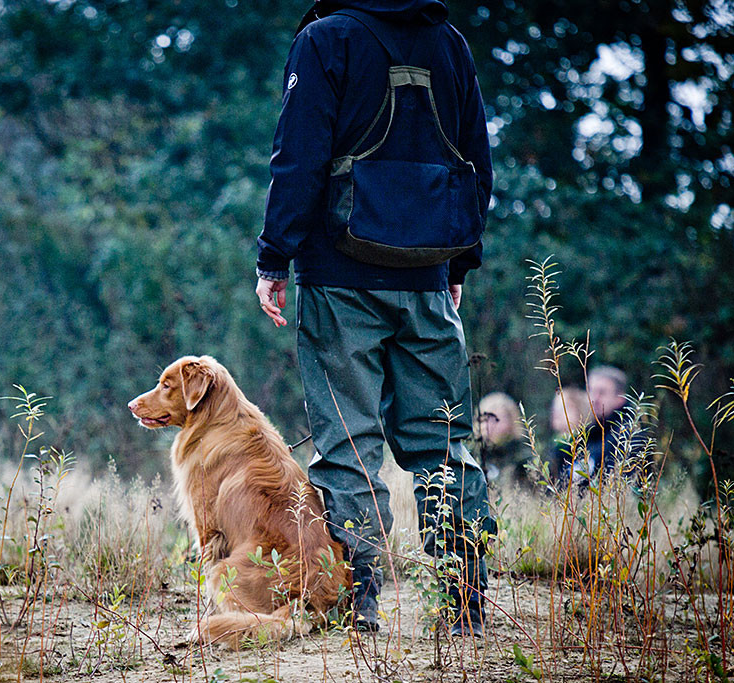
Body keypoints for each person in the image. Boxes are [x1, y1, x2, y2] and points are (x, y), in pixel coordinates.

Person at [253, 0, 495, 637]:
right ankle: (465, 606)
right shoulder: (450, 44)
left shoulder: (325, 39)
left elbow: (297, 156)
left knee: (348, 446)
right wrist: (459, 264)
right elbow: (477, 162)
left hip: (340, 276)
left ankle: (357, 608)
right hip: (428, 278)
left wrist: (274, 256)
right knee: (444, 444)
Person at [474, 392, 531, 487]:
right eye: (486, 419)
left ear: (512, 422)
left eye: (498, 419)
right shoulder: (473, 456)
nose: (491, 426)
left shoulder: (523, 458)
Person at [585, 365, 630, 476]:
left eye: (602, 392)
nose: (594, 399)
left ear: (620, 398)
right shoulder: (588, 432)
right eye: (591, 391)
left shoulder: (628, 436)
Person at [547, 386, 591, 487]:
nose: (556, 413)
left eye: (564, 408)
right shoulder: (552, 447)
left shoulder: (587, 445)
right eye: (555, 408)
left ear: (581, 411)